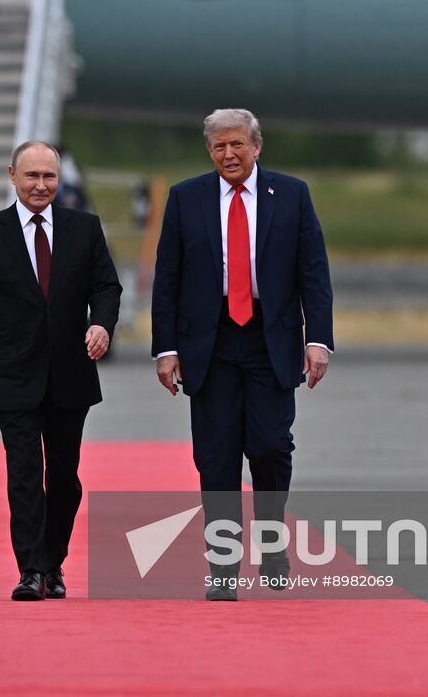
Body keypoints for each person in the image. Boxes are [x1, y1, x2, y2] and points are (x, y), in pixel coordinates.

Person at [151, 108, 334, 601]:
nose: (228, 155)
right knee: (216, 458)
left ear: (257, 147)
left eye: (237, 145)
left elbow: (313, 271)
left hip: (269, 339)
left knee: (272, 445)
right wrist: (165, 349)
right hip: (207, 344)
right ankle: (223, 567)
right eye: (218, 147)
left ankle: (271, 541)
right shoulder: (186, 198)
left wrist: (317, 340)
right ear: (208, 151)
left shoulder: (292, 195)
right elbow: (167, 277)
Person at [0, 141, 122, 601]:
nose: (41, 185)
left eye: (50, 176)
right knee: (24, 473)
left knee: (64, 479)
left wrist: (101, 324)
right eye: (32, 176)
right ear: (12, 176)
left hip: (71, 375)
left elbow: (107, 286)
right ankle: (30, 570)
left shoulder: (84, 228)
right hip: (13, 377)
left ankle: (53, 561)